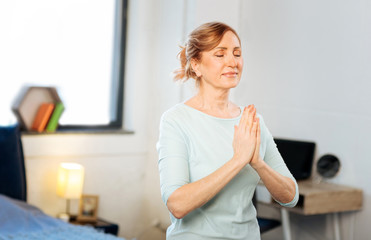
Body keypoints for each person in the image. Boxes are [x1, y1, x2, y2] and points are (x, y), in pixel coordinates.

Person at [156, 22, 298, 240]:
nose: (233, 62)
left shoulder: (252, 121)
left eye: (237, 53)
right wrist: (238, 160)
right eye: (220, 55)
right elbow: (177, 204)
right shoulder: (176, 120)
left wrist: (257, 162)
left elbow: (290, 196)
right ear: (196, 65)